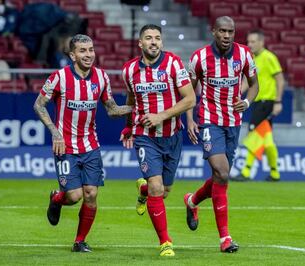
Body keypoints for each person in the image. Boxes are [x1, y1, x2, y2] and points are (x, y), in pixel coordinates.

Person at [33, 34, 132, 252]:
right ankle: (57, 198)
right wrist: (55, 133)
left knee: (91, 194)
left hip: (91, 146)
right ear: (72, 55)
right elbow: (39, 105)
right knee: (74, 196)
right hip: (65, 146)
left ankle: (79, 241)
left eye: (91, 50)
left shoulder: (102, 77)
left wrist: (137, 109)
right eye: (83, 51)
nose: (88, 55)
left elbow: (112, 109)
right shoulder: (59, 77)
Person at [183, 16, 259, 253]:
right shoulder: (200, 58)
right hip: (209, 121)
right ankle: (224, 238)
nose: (227, 35)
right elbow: (189, 92)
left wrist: (246, 102)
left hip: (233, 122)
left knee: (220, 177)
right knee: (223, 171)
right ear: (213, 31)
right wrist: (189, 119)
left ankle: (192, 200)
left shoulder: (245, 55)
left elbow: (254, 84)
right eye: (222, 31)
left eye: (231, 31)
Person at [120, 24, 196, 257]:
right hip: (146, 138)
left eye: (157, 38)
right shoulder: (129, 70)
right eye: (148, 38)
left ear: (161, 42)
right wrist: (128, 127)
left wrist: (161, 116)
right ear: (140, 43)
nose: (154, 42)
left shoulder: (173, 64)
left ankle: (142, 189)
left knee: (164, 190)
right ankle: (165, 242)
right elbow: (131, 99)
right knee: (157, 186)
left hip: (172, 136)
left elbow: (190, 99)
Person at [231, 29, 285, 182]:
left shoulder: (269, 57)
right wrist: (236, 94)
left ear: (262, 42)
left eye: (253, 41)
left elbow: (280, 80)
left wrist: (278, 101)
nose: (250, 44)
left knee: (253, 134)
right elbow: (249, 81)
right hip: (257, 103)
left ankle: (246, 172)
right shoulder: (252, 59)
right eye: (248, 41)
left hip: (267, 103)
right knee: (266, 139)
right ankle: (275, 173)